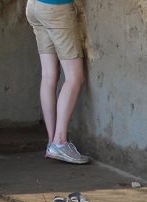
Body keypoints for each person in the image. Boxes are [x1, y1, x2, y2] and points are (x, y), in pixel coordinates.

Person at [26, 0, 91, 165]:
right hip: (56, 7)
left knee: (49, 75)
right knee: (75, 76)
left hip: (34, 6)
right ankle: (60, 141)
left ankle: (52, 143)